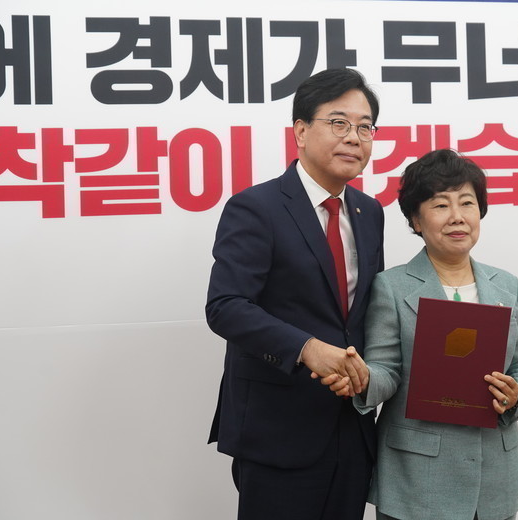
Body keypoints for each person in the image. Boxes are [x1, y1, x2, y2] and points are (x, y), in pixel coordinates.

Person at [205, 68, 385, 520]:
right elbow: (226, 307)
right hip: (278, 429)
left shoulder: (369, 212)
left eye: (365, 127)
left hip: (352, 426)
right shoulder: (256, 207)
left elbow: (364, 314)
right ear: (301, 132)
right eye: (339, 123)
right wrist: (307, 349)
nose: (354, 137)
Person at [324, 148, 518, 520]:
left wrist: (517, 393)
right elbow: (386, 370)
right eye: (441, 205)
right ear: (416, 219)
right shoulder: (391, 287)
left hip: (494, 482)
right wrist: (362, 379)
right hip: (417, 481)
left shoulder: (507, 286)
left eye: (467, 203)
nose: (457, 216)